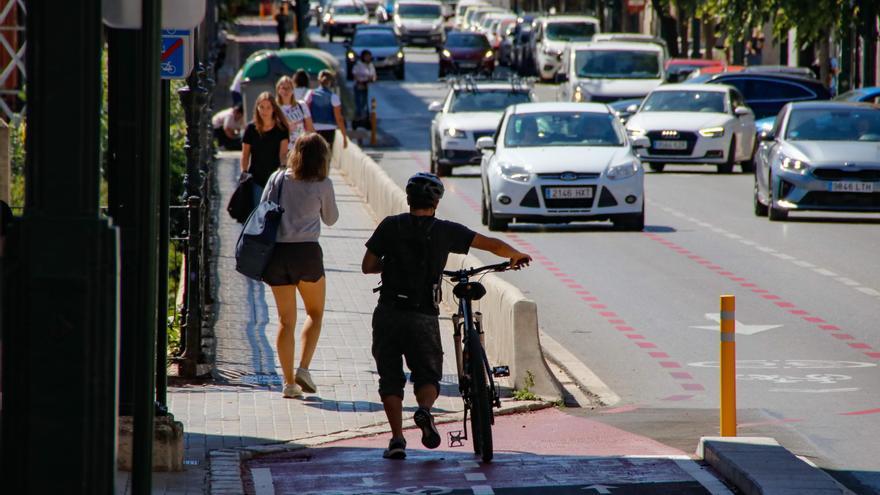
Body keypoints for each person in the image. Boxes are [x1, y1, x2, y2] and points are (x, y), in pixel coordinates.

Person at [361, 172, 531, 460]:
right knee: (428, 375)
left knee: (389, 378)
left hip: (388, 312)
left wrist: (389, 266)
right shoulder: (444, 230)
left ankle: (397, 440)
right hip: (422, 315)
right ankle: (424, 411)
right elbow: (489, 244)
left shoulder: (391, 226)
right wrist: (514, 254)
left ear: (408, 199)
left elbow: (368, 266)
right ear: (436, 202)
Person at [261, 133, 339, 398]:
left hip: (277, 254)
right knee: (314, 313)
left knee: (285, 321)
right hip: (307, 253)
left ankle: (288, 384)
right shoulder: (323, 183)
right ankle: (303, 368)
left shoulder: (278, 178)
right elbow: (331, 219)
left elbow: (263, 209)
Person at [240, 91, 290, 204]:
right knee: (258, 211)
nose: (264, 111)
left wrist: (283, 168)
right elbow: (245, 154)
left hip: (274, 177)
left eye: (268, 107)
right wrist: (244, 172)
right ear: (257, 108)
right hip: (256, 178)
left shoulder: (281, 129)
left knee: (274, 211)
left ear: (273, 109)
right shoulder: (250, 129)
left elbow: (283, 153)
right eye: (261, 107)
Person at [305, 70, 348, 151]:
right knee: (327, 155)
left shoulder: (310, 94)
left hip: (314, 128)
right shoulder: (333, 97)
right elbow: (339, 118)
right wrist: (344, 136)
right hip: (329, 129)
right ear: (330, 82)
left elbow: (305, 112)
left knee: (315, 154)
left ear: (319, 80)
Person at [275, 75, 315, 150]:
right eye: (283, 88)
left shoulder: (302, 105)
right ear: (278, 90)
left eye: (289, 88)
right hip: (284, 149)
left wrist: (314, 144)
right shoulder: (275, 108)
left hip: (301, 147)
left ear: (293, 90)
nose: (286, 91)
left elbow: (310, 128)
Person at [352, 49, 377, 124]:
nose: (368, 58)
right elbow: (354, 74)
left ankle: (366, 119)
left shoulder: (370, 65)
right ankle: (358, 119)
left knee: (366, 103)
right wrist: (360, 81)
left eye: (369, 56)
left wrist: (372, 79)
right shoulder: (359, 64)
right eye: (366, 56)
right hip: (359, 85)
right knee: (359, 103)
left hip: (368, 86)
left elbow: (374, 75)